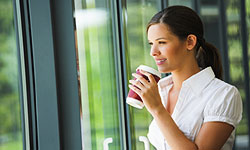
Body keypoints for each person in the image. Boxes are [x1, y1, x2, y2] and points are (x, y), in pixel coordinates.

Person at [128, 5, 242, 150]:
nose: (153, 52)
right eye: (151, 44)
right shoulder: (161, 90)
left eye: (161, 42)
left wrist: (157, 109)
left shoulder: (223, 95)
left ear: (190, 42)